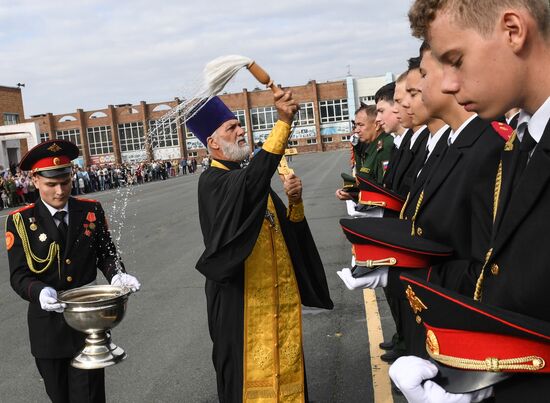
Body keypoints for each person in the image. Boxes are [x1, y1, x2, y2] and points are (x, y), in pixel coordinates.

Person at [389, 0, 550, 401]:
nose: (445, 84)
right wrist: (478, 385)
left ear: (513, 30)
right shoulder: (521, 146)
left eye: (455, 60)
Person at [190, 94, 333, 402]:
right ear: (213, 143)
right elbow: (254, 179)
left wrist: (295, 202)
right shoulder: (214, 181)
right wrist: (283, 123)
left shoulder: (246, 180)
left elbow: (286, 231)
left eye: (240, 125)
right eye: (232, 127)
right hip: (240, 302)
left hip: (277, 302)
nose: (241, 131)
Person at [5, 140, 141, 403]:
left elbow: (106, 254)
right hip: (48, 330)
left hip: (88, 325)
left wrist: (117, 274)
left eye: (65, 182)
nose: (59, 191)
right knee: (60, 397)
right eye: (51, 184)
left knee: (89, 397)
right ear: (35, 181)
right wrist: (38, 291)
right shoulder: (21, 221)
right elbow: (19, 275)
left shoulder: (90, 210)